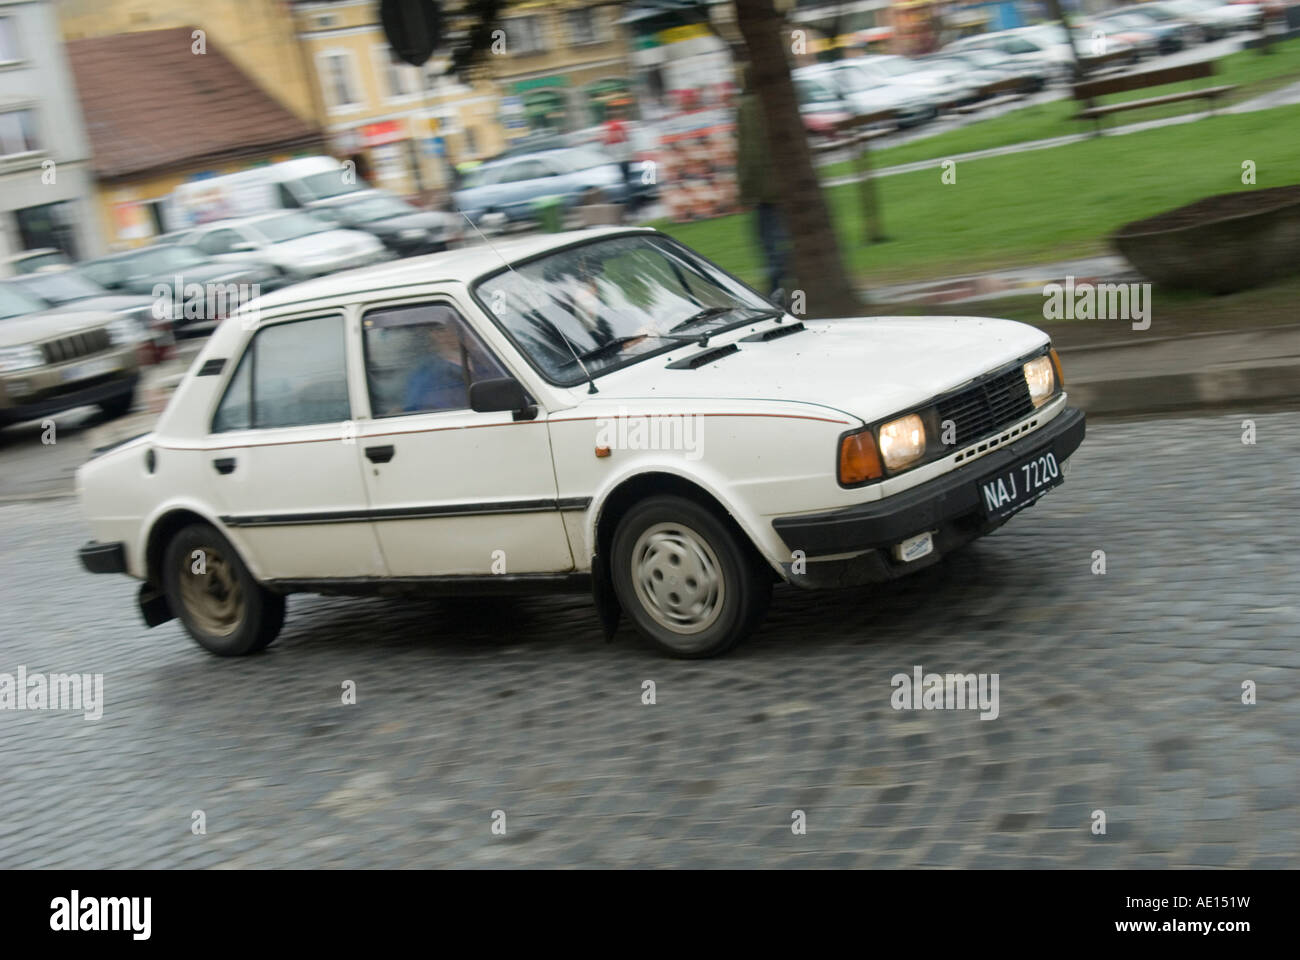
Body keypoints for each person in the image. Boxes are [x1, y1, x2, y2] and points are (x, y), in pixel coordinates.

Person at [734, 63, 789, 298]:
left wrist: (745, 189)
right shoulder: (775, 99)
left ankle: (777, 291)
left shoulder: (747, 107)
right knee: (779, 241)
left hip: (765, 190)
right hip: (782, 186)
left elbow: (749, 152)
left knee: (769, 243)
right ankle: (783, 287)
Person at [402, 321, 468, 413]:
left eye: (455, 329)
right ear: (433, 334)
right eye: (442, 330)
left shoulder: (480, 358)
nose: (450, 334)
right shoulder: (426, 372)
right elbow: (417, 408)